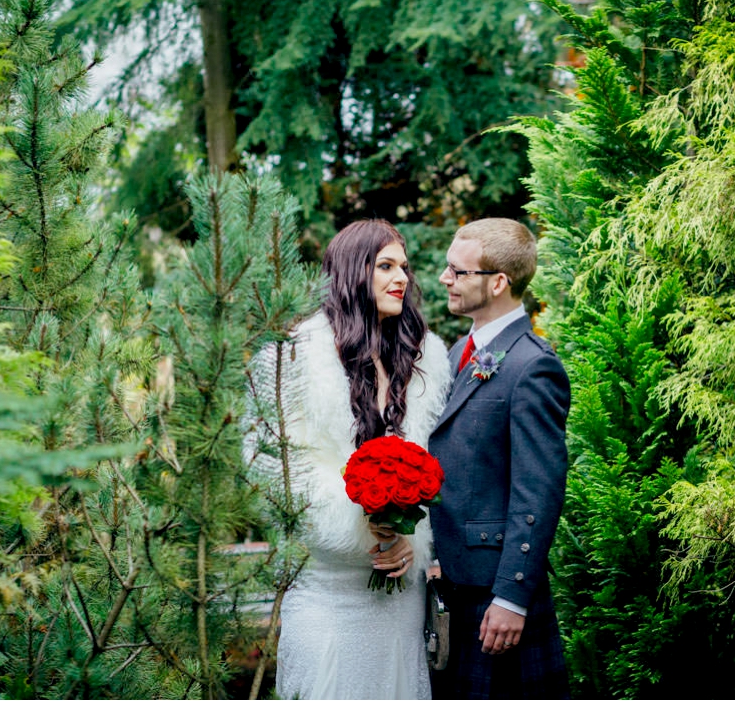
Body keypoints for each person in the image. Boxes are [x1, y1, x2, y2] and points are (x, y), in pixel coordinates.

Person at [245, 219, 452, 700]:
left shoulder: (424, 360)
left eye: (404, 267)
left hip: (400, 593)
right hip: (327, 585)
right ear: (350, 271)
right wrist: (361, 526)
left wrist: (408, 539)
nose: (401, 277)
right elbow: (271, 467)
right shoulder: (294, 359)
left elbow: (435, 470)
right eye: (385, 266)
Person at [427, 217, 571, 699]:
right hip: (452, 586)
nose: (444, 279)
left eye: (457, 271)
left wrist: (512, 594)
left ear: (497, 283)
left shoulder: (533, 366)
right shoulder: (454, 354)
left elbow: (539, 487)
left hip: (496, 595)